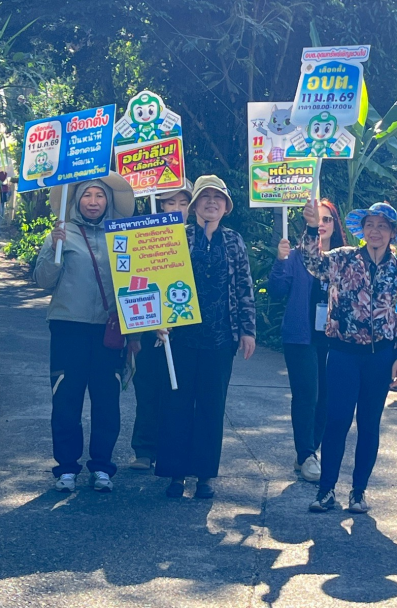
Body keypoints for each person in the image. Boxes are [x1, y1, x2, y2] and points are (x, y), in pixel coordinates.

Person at [300, 200, 397, 515]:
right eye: (370, 225)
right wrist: (310, 228)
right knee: (336, 421)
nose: (375, 231)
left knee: (369, 424)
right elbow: (312, 261)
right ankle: (326, 490)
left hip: (381, 357)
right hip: (343, 353)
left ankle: (358, 492)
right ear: (362, 230)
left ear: (392, 233)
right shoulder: (342, 259)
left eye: (382, 226)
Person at [155, 175, 256, 500]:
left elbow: (244, 286)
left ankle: (205, 476)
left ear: (226, 206)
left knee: (212, 407)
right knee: (177, 404)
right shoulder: (177, 237)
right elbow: (157, 279)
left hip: (220, 338)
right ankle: (175, 474)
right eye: (205, 197)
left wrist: (247, 330)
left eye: (218, 198)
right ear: (195, 203)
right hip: (181, 336)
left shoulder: (234, 241)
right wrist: (158, 320)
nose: (211, 202)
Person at [34, 173, 135, 493]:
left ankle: (102, 467)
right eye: (87, 195)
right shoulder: (61, 234)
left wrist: (138, 334)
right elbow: (43, 280)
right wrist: (55, 247)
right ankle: (66, 468)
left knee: (107, 402)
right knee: (66, 400)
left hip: (109, 331)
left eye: (100, 196)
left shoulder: (122, 236)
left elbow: (137, 283)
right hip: (68, 328)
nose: (93, 201)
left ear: (108, 201)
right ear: (76, 200)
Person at [269, 198, 346, 483]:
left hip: (333, 338)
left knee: (326, 397)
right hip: (300, 337)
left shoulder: (343, 258)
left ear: (335, 224)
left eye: (328, 219)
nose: (323, 224)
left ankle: (310, 450)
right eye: (318, 219)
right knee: (307, 395)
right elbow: (277, 290)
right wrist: (280, 260)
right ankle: (306, 453)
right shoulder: (297, 255)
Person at [128, 180, 193, 471]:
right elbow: (132, 283)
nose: (176, 209)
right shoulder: (144, 235)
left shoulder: (198, 237)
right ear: (159, 205)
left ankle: (172, 450)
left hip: (188, 331)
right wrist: (140, 329)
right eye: (170, 203)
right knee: (147, 388)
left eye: (182, 203)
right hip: (149, 327)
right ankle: (144, 448)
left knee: (178, 394)